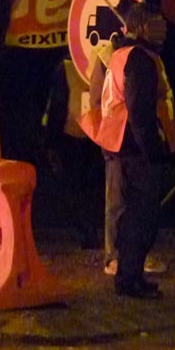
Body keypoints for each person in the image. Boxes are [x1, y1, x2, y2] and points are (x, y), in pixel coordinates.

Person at [90, 3, 175, 299]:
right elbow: (139, 112)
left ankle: (129, 276)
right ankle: (130, 278)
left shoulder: (121, 54)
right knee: (143, 216)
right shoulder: (139, 59)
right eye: (156, 25)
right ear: (141, 27)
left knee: (130, 215)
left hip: (116, 143)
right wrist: (154, 151)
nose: (161, 32)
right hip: (134, 148)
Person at [40, 54, 103, 249]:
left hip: (78, 134)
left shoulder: (67, 68)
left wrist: (51, 142)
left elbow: (57, 106)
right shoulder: (103, 62)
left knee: (78, 187)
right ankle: (90, 231)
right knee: (88, 186)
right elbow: (57, 105)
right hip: (93, 134)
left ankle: (88, 231)